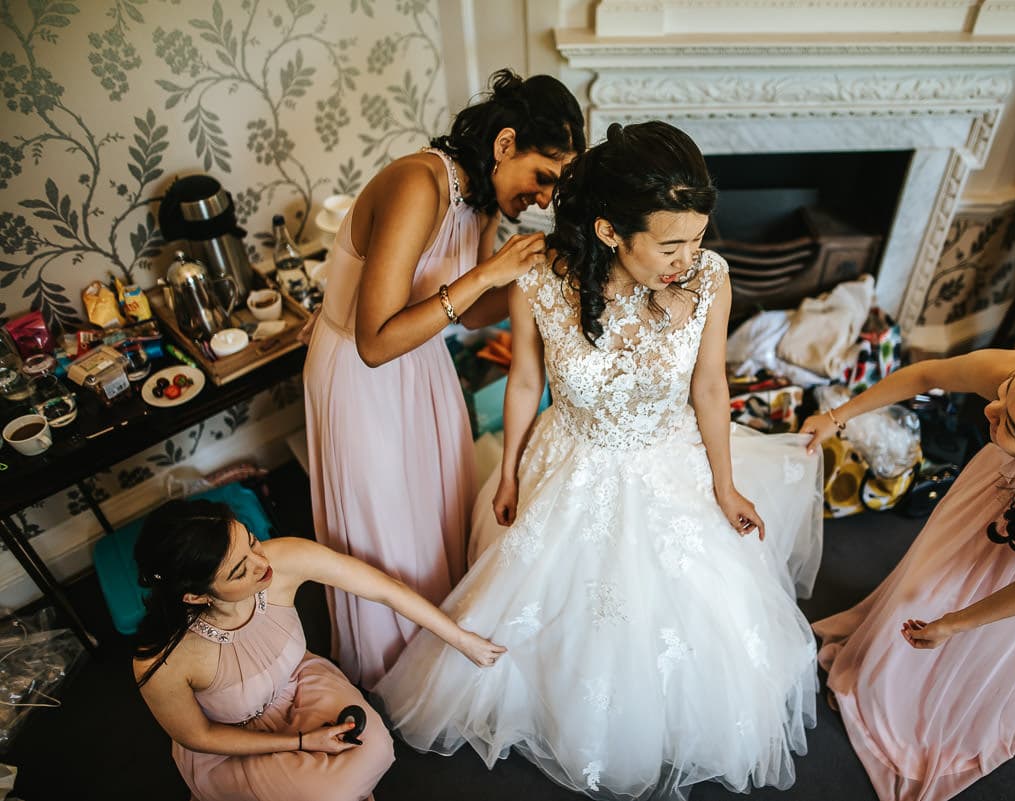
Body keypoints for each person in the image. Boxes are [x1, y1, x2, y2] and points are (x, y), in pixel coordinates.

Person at [373, 121, 825, 800]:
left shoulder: (710, 281)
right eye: (671, 244)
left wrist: (725, 485)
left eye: (698, 237)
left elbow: (708, 386)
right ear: (612, 231)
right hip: (572, 457)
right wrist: (508, 469)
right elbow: (524, 382)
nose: (689, 256)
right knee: (554, 608)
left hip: (668, 460)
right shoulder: (541, 280)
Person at [303, 69, 584, 689]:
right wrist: (488, 276)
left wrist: (535, 279)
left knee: (439, 507)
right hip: (361, 373)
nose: (543, 199)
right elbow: (377, 340)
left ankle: (438, 650)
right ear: (505, 143)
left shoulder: (480, 199)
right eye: (544, 176)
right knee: (386, 529)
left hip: (423, 365)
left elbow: (469, 313)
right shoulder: (417, 183)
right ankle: (388, 673)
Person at [800, 348, 1015, 801]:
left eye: (1008, 424)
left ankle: (923, 703)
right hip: (993, 490)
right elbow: (931, 372)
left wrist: (956, 623)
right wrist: (837, 416)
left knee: (970, 636)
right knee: (924, 583)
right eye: (1004, 395)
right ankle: (882, 670)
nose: (989, 409)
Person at [131, 498, 506, 801]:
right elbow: (200, 737)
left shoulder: (283, 559)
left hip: (300, 684)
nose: (263, 565)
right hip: (235, 741)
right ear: (195, 596)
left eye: (251, 541)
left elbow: (383, 588)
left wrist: (461, 640)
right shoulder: (163, 660)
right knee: (329, 792)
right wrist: (303, 742)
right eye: (239, 571)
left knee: (375, 748)